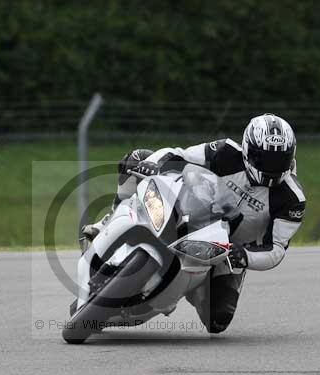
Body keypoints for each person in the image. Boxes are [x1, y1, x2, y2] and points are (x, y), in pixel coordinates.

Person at [81, 114, 306, 333]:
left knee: (218, 320)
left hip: (226, 251)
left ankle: (182, 289)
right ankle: (109, 221)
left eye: (279, 160)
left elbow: (276, 249)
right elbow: (178, 154)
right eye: (264, 158)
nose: (271, 167)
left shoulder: (292, 199)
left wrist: (244, 256)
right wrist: (152, 164)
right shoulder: (225, 151)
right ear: (248, 148)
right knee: (137, 158)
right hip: (193, 209)